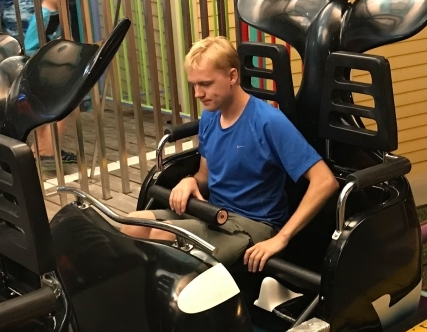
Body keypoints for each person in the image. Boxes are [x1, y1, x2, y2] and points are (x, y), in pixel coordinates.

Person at [123, 36, 339, 269]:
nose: (197, 94)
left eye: (205, 84)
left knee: (161, 239)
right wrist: (189, 181)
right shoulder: (209, 116)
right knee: (128, 226)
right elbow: (204, 177)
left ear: (232, 76)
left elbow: (325, 181)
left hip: (253, 224)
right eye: (194, 85)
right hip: (212, 213)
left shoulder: (269, 122)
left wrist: (281, 238)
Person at [24, 0, 76, 167]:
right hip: (40, 72)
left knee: (54, 111)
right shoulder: (42, 17)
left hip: (52, 71)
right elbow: (30, 47)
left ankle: (45, 149)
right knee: (56, 109)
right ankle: (44, 150)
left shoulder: (57, 12)